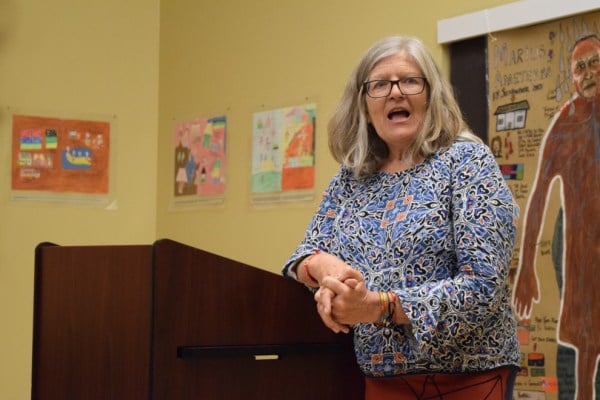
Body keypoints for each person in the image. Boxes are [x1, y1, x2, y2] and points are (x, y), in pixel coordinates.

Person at [282, 35, 521, 400]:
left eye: (410, 80)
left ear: (431, 94)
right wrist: (325, 268)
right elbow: (302, 256)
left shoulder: (467, 161)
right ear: (363, 104)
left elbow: (483, 287)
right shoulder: (352, 177)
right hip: (380, 379)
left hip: (468, 377)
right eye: (379, 84)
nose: (395, 93)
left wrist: (378, 307)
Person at [512, 33, 600, 400]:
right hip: (580, 244)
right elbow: (538, 197)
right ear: (573, 78)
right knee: (585, 340)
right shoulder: (564, 125)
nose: (588, 73)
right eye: (580, 68)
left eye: (594, 61)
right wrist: (527, 267)